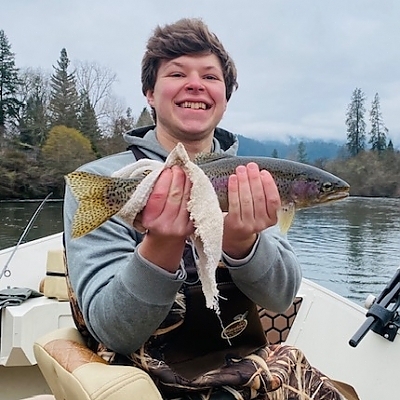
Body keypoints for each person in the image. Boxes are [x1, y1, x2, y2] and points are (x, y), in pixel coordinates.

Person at [64, 18, 349, 400]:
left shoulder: (249, 180)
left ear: (225, 98)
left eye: (210, 77)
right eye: (177, 73)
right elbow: (115, 332)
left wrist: (243, 242)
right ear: (150, 93)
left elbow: (281, 299)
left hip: (244, 367)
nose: (195, 84)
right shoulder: (107, 181)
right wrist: (161, 245)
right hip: (141, 377)